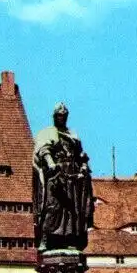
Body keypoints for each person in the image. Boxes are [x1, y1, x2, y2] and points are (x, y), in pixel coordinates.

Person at [33, 102, 94, 252]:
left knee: (72, 210)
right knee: (52, 207)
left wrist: (84, 167)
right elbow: (44, 150)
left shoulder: (73, 135)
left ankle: (69, 239)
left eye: (64, 116)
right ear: (54, 117)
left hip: (72, 176)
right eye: (59, 115)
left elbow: (81, 156)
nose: (62, 118)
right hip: (56, 175)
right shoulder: (47, 133)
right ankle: (45, 239)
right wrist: (51, 163)